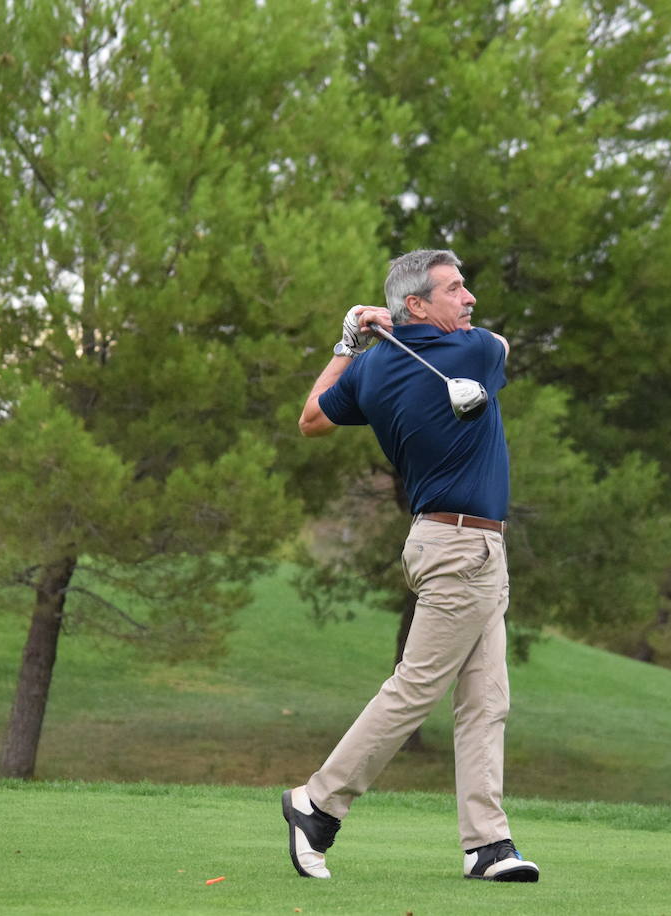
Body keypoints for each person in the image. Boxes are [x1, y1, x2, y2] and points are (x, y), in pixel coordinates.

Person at [283, 249, 539, 883]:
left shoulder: (372, 369)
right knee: (415, 689)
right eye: (455, 289)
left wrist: (348, 342)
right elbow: (502, 345)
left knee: (486, 700)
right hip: (461, 549)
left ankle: (488, 846)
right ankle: (317, 803)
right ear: (418, 305)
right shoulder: (473, 353)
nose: (470, 299)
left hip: (451, 544)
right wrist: (389, 330)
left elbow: (311, 418)